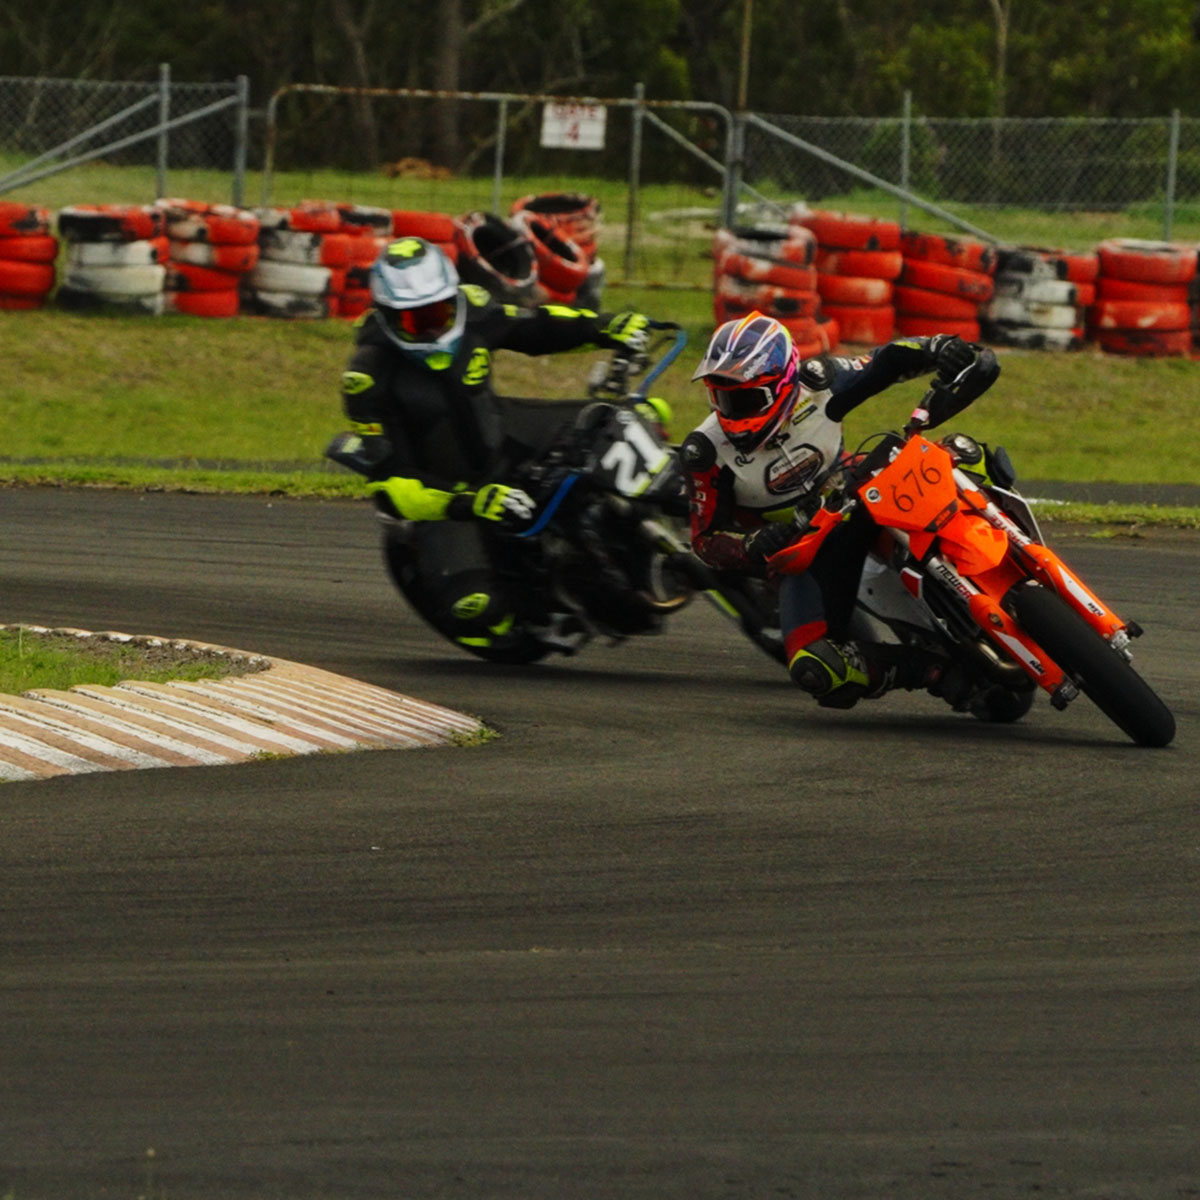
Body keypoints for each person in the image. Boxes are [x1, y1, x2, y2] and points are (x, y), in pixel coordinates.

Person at [335, 235, 654, 653]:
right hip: (449, 495)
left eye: (440, 311)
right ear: (389, 317)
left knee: (620, 421)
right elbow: (393, 487)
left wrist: (604, 327)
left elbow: (534, 326)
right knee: (476, 609)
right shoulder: (368, 378)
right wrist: (471, 502)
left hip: (502, 432)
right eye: (415, 321)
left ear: (452, 297)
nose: (433, 327)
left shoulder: (474, 309)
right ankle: (547, 604)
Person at [682, 311, 999, 709]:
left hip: (861, 495)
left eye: (745, 398)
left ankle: (1007, 550)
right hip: (806, 549)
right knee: (817, 668)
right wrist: (754, 545)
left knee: (958, 460)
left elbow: (887, 360)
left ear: (783, 384)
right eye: (721, 398)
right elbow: (704, 540)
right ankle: (932, 670)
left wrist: (939, 348)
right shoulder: (705, 451)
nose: (733, 413)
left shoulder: (818, 383)